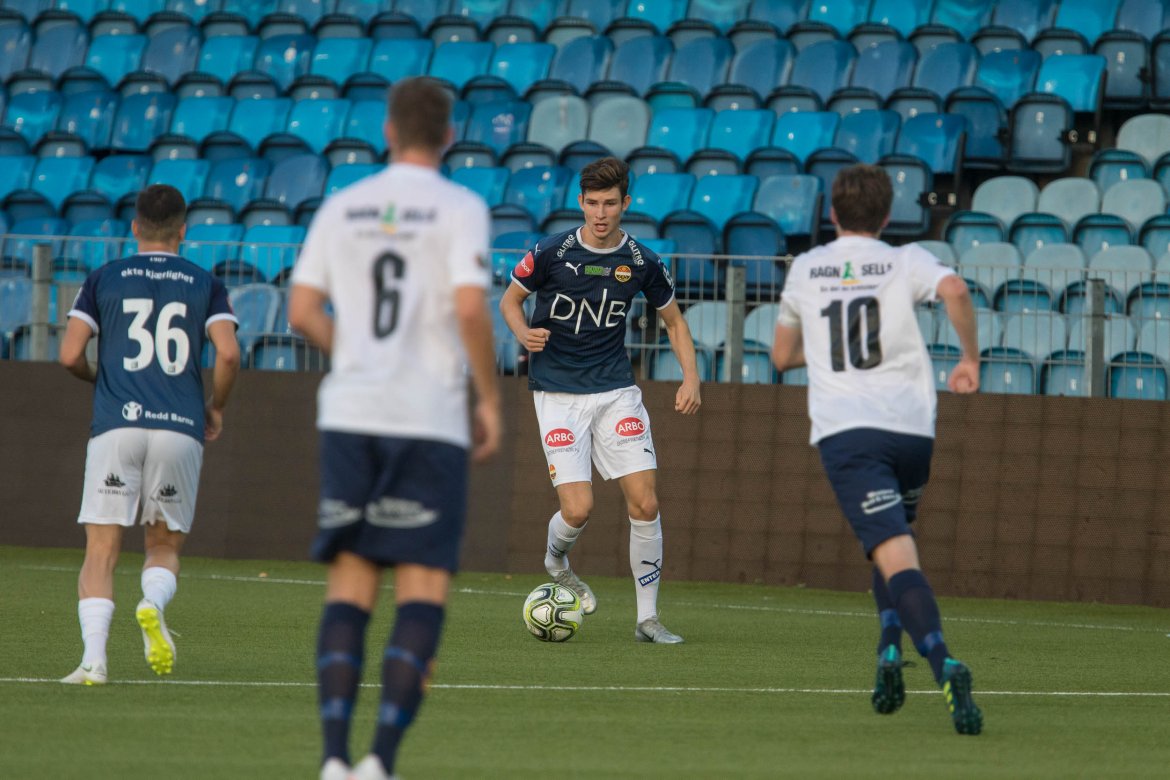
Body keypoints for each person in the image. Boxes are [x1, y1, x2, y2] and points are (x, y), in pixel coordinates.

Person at [288, 76, 501, 780]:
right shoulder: (460, 207)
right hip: (427, 417)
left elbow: (301, 311)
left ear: (387, 131)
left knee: (350, 585)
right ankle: (379, 760)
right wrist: (488, 398)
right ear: (448, 136)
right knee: (422, 586)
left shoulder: (343, 205)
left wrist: (354, 355)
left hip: (351, 413)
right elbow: (469, 308)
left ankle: (331, 758)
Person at [770, 164, 984, 735]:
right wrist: (970, 358)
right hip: (914, 431)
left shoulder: (808, 268)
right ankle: (889, 649)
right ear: (889, 216)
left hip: (850, 433)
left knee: (894, 552)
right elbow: (956, 290)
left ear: (831, 214)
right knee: (895, 540)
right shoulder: (905, 258)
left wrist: (821, 346)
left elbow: (781, 356)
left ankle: (944, 663)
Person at [499, 156, 701, 645]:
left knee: (645, 502)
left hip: (615, 391)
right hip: (557, 394)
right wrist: (522, 332)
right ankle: (556, 560)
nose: (601, 213)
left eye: (610, 203)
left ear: (625, 202)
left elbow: (674, 322)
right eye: (592, 203)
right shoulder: (551, 252)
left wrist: (691, 378)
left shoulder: (643, 262)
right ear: (581, 202)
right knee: (578, 510)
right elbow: (509, 301)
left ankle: (647, 620)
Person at [59, 184, 241, 686]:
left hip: (116, 424)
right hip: (180, 425)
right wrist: (216, 406)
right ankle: (152, 603)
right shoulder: (205, 282)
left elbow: (70, 355)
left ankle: (94, 661)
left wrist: (101, 379)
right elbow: (228, 354)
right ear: (184, 231)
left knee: (101, 549)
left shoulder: (103, 277)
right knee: (163, 545)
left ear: (135, 227)